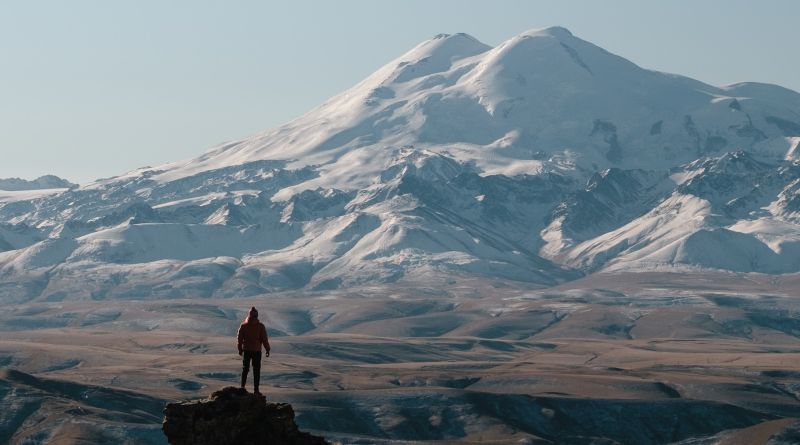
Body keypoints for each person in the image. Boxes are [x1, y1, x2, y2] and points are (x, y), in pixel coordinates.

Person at [236, 306, 270, 394]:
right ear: (257, 315)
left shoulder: (243, 326)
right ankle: (256, 390)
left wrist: (240, 349)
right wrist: (267, 349)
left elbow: (239, 339)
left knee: (245, 369)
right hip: (257, 351)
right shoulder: (260, 326)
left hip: (246, 350)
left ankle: (242, 387)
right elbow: (264, 339)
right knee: (256, 370)